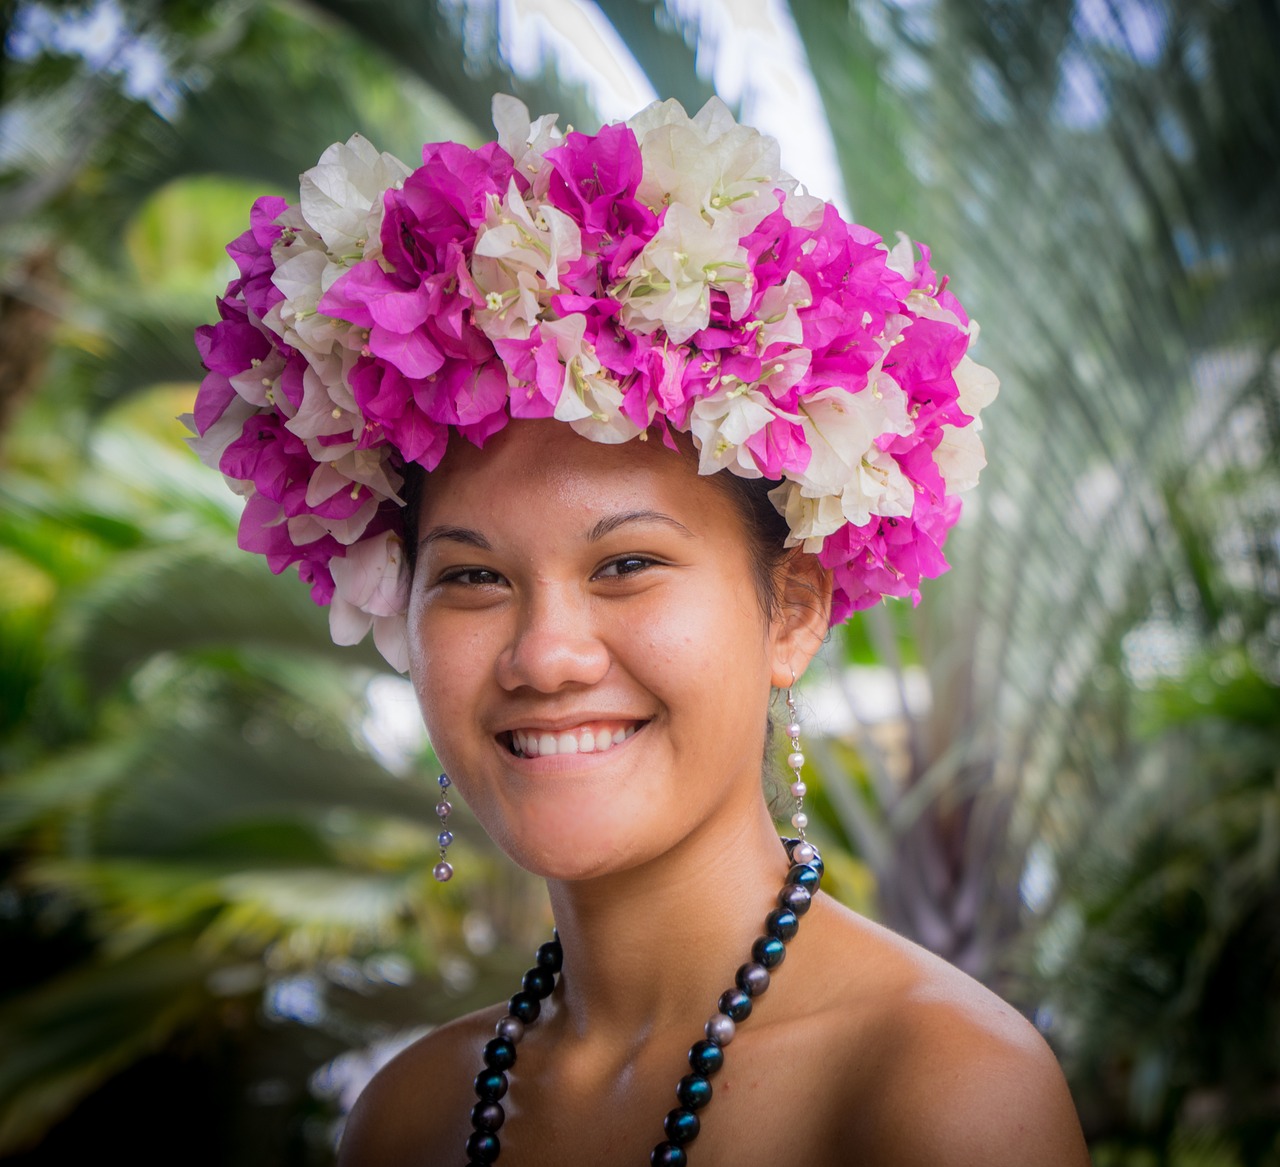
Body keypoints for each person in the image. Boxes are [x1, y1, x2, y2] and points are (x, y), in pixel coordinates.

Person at [191, 95, 1090, 1166]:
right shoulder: (405, 1119)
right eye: (473, 577)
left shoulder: (942, 1094)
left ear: (791, 613)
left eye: (625, 565)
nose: (544, 654)